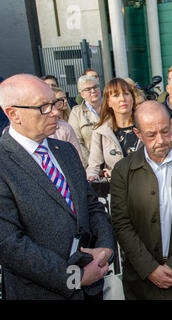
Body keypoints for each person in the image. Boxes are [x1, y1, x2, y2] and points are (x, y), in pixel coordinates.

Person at [0, 74, 115, 300]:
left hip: (91, 290)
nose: (55, 112)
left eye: (55, 103)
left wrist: (106, 249)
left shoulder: (66, 151)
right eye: (43, 107)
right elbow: (9, 244)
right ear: (13, 114)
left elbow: (92, 206)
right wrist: (74, 276)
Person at [110, 101, 172, 299]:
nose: (161, 140)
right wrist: (150, 269)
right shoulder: (123, 171)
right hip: (142, 283)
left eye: (165, 131)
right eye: (151, 135)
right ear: (138, 134)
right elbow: (121, 223)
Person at [86, 78, 142, 181]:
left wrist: (116, 172)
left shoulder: (145, 126)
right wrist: (92, 177)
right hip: (116, 191)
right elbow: (94, 166)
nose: (122, 99)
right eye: (116, 95)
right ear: (108, 102)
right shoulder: (100, 132)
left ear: (132, 98)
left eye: (126, 94)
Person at [68, 75, 102, 167]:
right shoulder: (76, 113)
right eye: (88, 89)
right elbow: (76, 141)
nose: (93, 91)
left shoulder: (111, 107)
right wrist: (93, 164)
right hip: (91, 165)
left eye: (95, 87)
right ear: (82, 94)